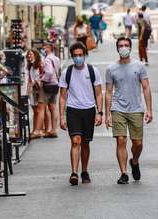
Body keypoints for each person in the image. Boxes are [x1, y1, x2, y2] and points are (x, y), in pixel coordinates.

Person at [105, 37, 153, 184]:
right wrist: (107, 114)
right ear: (117, 48)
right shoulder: (111, 69)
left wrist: (149, 109)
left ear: (130, 47)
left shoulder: (139, 66)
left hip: (136, 109)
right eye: (121, 45)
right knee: (121, 140)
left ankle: (135, 161)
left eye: (126, 45)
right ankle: (124, 173)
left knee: (137, 143)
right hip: (118, 108)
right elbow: (108, 92)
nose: (123, 47)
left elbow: (145, 87)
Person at [59, 42, 103, 185]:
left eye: (80, 55)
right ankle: (74, 173)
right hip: (73, 110)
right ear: (72, 56)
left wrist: (99, 112)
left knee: (85, 143)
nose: (78, 58)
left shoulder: (92, 71)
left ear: (84, 55)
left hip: (89, 110)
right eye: (75, 55)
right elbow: (62, 96)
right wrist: (61, 117)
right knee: (75, 141)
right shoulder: (67, 72)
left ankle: (84, 171)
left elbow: (99, 93)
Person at [39, 42, 60, 138]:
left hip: (48, 85)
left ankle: (41, 130)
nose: (43, 49)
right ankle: (54, 130)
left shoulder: (47, 59)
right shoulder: (56, 58)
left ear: (48, 48)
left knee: (42, 108)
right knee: (53, 107)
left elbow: (49, 72)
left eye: (44, 48)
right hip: (55, 84)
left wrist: (42, 80)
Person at [24, 49, 42, 138]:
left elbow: (38, 78)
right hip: (33, 90)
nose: (29, 56)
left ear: (35, 55)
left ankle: (38, 130)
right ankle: (35, 129)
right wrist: (27, 93)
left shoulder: (38, 65)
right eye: (28, 55)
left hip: (38, 90)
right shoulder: (30, 66)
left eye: (31, 54)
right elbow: (29, 81)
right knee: (35, 111)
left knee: (39, 110)